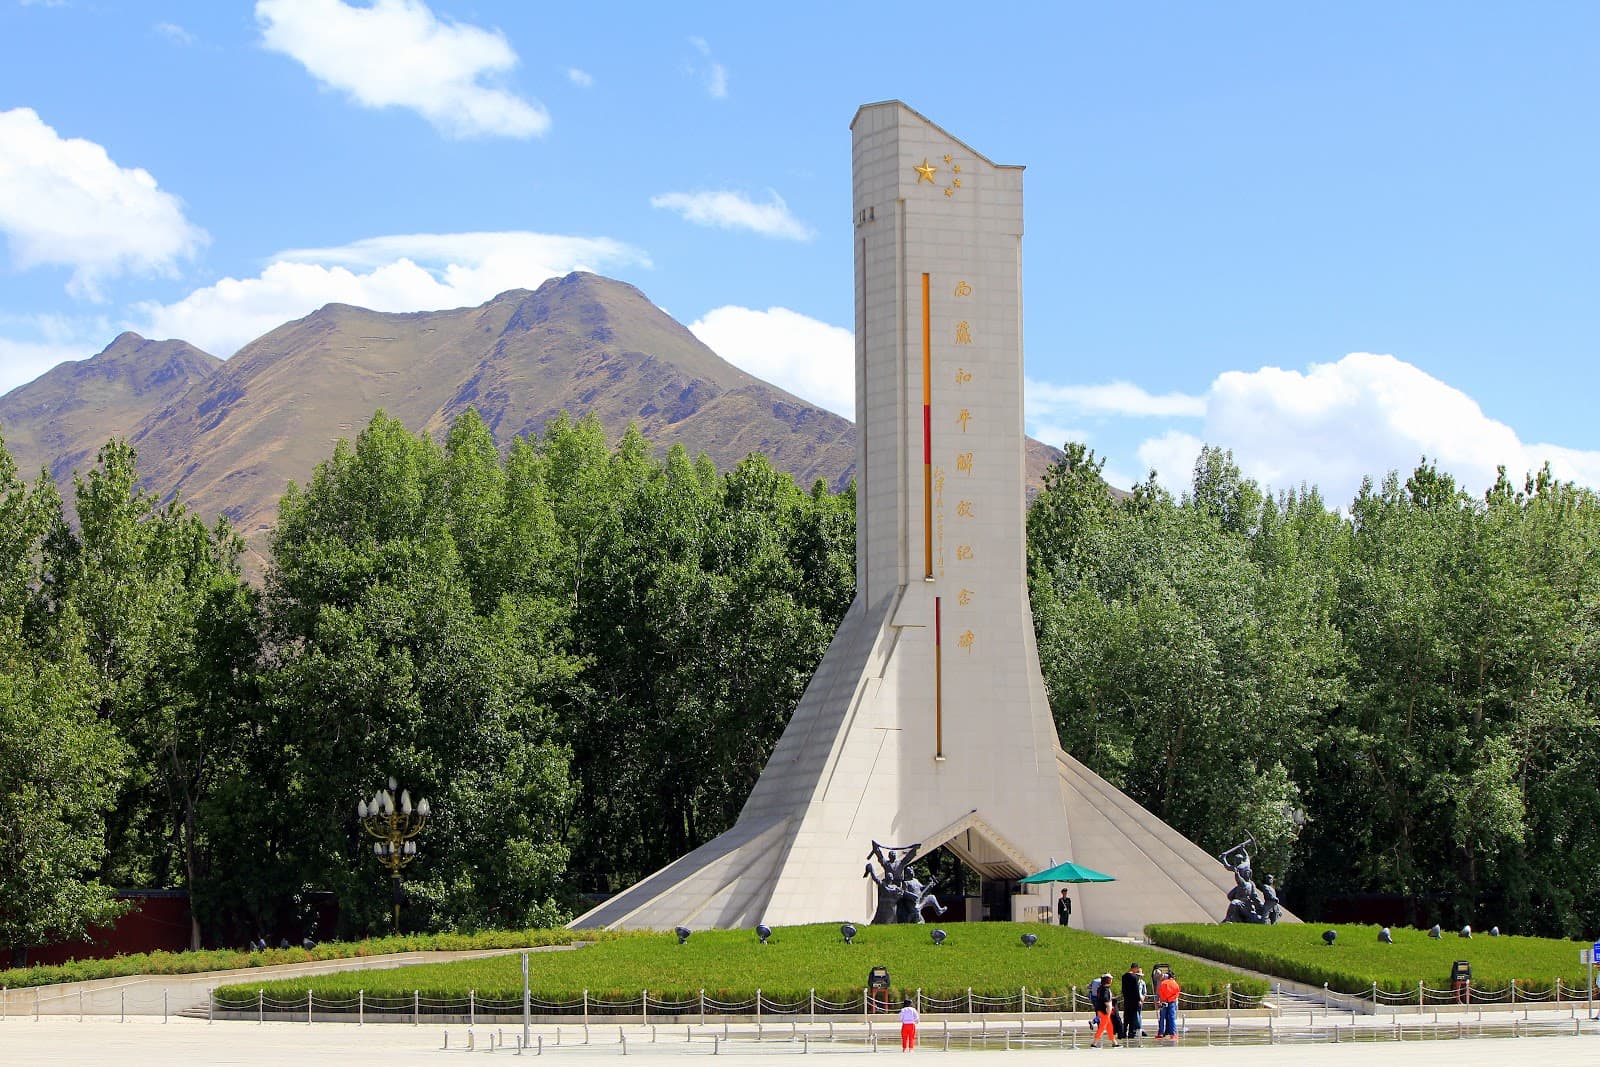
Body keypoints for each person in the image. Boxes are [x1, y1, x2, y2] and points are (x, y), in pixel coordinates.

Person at [1090, 973, 1117, 1048]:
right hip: (1105, 1011)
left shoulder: (1100, 988)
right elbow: (1106, 999)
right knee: (1102, 1028)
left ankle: (1114, 1042)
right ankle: (1094, 1043)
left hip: (1101, 1009)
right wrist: (1109, 1007)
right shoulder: (1105, 989)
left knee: (1109, 1027)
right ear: (1108, 981)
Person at [1121, 963, 1145, 1039]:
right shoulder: (1134, 977)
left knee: (1126, 1016)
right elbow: (1136, 990)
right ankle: (1131, 1032)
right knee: (1132, 1016)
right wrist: (1138, 999)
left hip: (1127, 999)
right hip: (1134, 1000)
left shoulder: (1124, 976)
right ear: (1134, 968)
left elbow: (1123, 989)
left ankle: (1124, 1031)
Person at [1157, 968, 1181, 1040]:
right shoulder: (1175, 984)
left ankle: (1160, 1033)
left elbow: (1160, 992)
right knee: (1172, 1017)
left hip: (1163, 1001)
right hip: (1171, 1002)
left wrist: (1163, 999)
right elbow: (1177, 994)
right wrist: (1170, 999)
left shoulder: (1163, 983)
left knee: (1162, 1018)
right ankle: (1173, 1034)